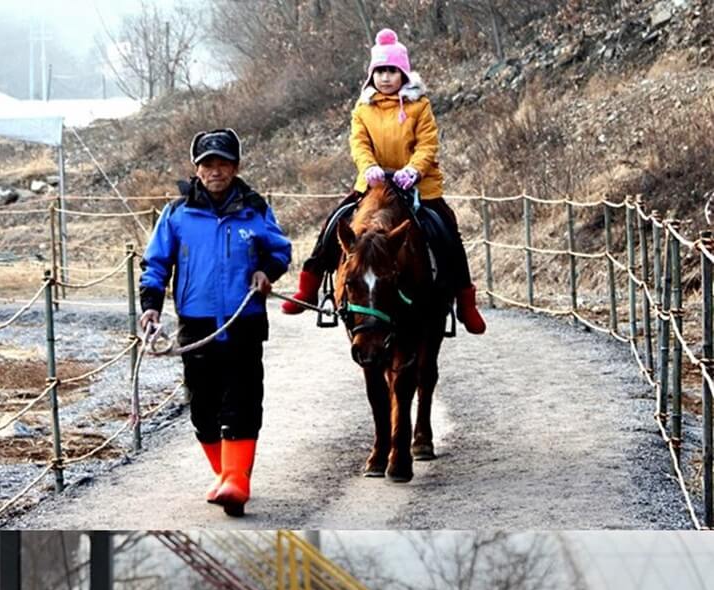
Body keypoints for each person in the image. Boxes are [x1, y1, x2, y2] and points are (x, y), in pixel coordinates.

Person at [281, 28, 486, 334]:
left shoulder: (420, 106)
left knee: (446, 230)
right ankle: (309, 287)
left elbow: (427, 144)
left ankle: (465, 302)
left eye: (392, 71)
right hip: (373, 184)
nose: (386, 77)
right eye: (380, 71)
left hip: (418, 185)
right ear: (371, 75)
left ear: (403, 74)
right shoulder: (363, 109)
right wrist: (369, 167)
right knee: (333, 223)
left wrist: (414, 170)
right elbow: (359, 143)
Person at [139, 128, 292, 516]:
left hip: (244, 322)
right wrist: (151, 306)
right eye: (208, 164)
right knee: (202, 410)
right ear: (197, 169)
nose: (215, 171)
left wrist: (266, 270)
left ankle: (236, 481)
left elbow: (279, 251)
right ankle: (225, 475)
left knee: (242, 402)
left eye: (223, 163)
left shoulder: (254, 209)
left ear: (235, 167)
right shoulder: (176, 214)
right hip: (196, 325)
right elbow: (155, 264)